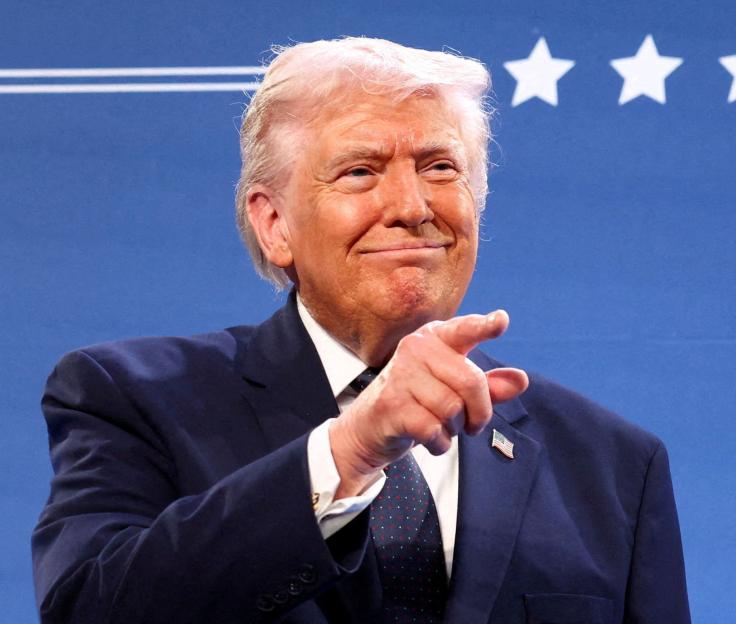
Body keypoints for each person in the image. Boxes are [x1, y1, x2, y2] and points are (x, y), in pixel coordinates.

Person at [32, 37, 690, 623]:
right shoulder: (135, 398)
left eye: (439, 167)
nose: (410, 207)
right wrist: (350, 451)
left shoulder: (610, 463)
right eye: (360, 172)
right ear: (274, 224)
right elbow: (89, 607)